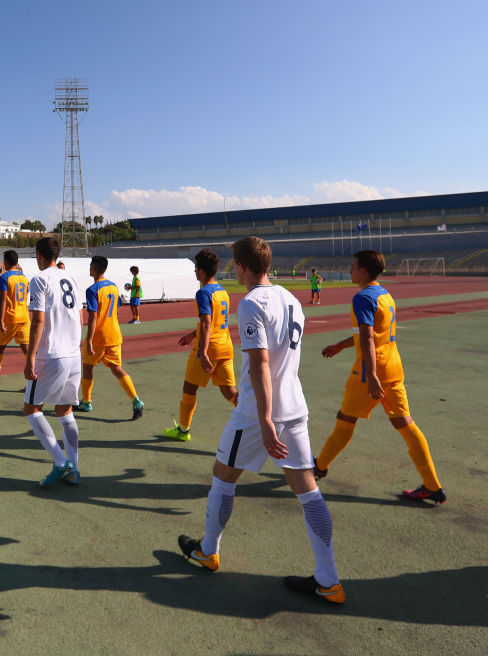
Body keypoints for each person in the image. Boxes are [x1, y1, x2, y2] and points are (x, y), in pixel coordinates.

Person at [177, 236, 345, 605]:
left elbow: (261, 363)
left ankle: (208, 551)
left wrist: (265, 419)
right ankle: (329, 579)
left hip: (257, 413)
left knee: (223, 478)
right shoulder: (291, 299)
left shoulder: (252, 302)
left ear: (240, 265)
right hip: (296, 407)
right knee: (308, 491)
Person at [314, 250, 446, 504]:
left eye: (353, 267)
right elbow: (376, 334)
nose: (350, 270)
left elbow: (367, 338)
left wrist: (372, 376)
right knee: (406, 424)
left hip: (369, 374)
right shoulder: (385, 295)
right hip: (393, 368)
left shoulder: (362, 297)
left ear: (363, 270)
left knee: (345, 420)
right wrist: (341, 345)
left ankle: (319, 466)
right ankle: (432, 485)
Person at [24, 237, 83, 486]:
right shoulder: (69, 277)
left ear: (38, 254)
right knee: (65, 410)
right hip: (73, 353)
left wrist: (30, 357)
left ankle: (61, 462)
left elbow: (38, 320)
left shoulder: (39, 280)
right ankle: (75, 469)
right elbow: (80, 315)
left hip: (52, 355)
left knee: (31, 408)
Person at [163, 249, 238, 441]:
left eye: (196, 268)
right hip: (225, 346)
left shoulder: (203, 293)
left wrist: (203, 353)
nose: (195, 271)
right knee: (229, 391)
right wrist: (192, 334)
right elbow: (215, 321)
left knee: (189, 388)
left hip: (209, 347)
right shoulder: (222, 290)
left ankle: (183, 430)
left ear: (202, 271)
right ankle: (257, 419)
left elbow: (206, 322)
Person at [75, 256, 146, 420]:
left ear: (94, 268)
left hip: (99, 336)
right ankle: (136, 401)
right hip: (114, 334)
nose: (89, 268)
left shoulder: (92, 289)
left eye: (90, 265)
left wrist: (90, 340)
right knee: (117, 369)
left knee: (87, 367)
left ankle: (86, 402)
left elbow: (93, 317)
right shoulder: (113, 287)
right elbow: (116, 310)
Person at [0, 250, 29, 387]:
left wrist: (1, 320)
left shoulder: (4, 277)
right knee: (27, 350)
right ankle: (34, 380)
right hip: (24, 318)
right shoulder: (24, 277)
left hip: (10, 318)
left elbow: (3, 299)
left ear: (6, 262)